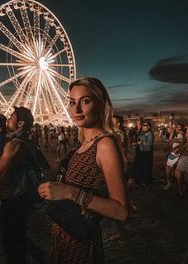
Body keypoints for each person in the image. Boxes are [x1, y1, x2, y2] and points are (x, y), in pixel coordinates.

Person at [38, 77, 130, 264]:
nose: (76, 110)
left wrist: (69, 192)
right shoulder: (80, 147)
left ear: (101, 104)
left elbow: (121, 211)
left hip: (81, 244)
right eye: (72, 103)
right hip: (63, 235)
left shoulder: (104, 145)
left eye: (85, 101)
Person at [0, 106, 36, 264]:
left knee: (11, 243)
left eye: (12, 117)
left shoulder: (15, 144)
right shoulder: (26, 141)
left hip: (12, 198)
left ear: (20, 123)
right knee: (18, 238)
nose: (8, 119)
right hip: (23, 198)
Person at [132, 121, 154, 185]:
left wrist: (141, 143)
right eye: (143, 125)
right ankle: (140, 179)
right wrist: (136, 144)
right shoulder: (142, 133)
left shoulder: (150, 134)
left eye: (145, 125)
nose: (144, 126)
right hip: (140, 152)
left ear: (149, 127)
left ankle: (146, 181)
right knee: (139, 166)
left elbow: (149, 144)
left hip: (146, 153)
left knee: (146, 167)